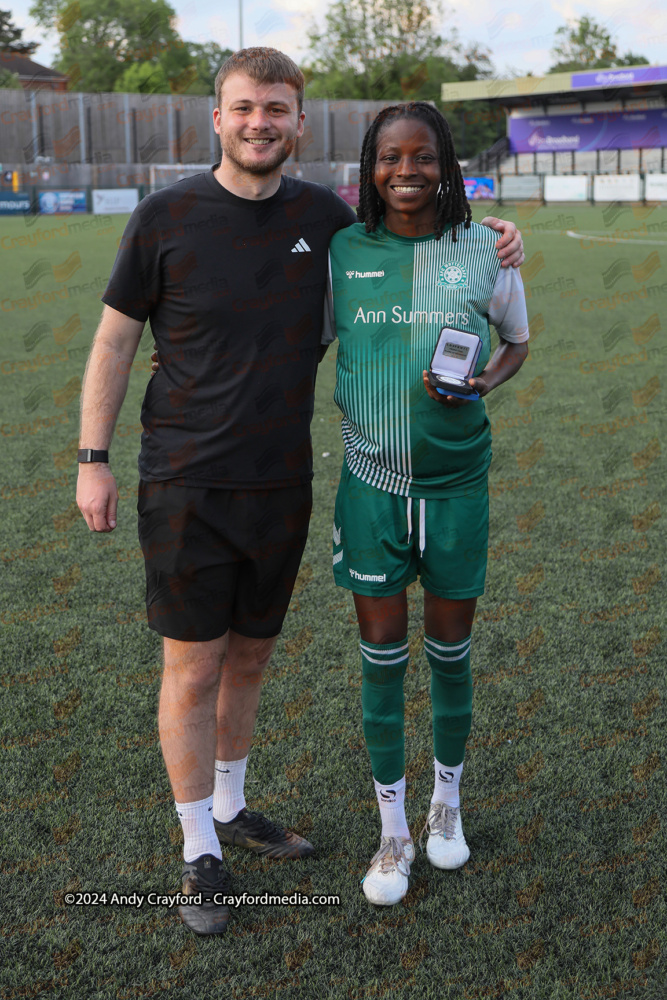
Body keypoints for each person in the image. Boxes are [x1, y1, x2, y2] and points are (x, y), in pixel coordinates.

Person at [76, 47, 525, 936]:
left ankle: (235, 808)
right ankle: (198, 847)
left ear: (297, 122)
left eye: (275, 108)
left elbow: (423, 244)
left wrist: (497, 233)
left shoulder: (325, 222)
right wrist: (93, 455)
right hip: (185, 479)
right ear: (217, 117)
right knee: (193, 664)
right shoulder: (164, 215)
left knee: (249, 656)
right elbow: (116, 341)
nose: (259, 122)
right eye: (243, 107)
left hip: (283, 480)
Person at [323, 101, 529, 905]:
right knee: (381, 660)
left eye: (421, 157)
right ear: (369, 169)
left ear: (445, 165)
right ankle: (392, 829)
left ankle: (446, 807)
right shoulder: (344, 250)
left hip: (455, 487)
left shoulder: (484, 247)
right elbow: (293, 337)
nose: (404, 171)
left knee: (449, 651)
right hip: (371, 489)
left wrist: (481, 382)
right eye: (388, 157)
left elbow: (516, 343)